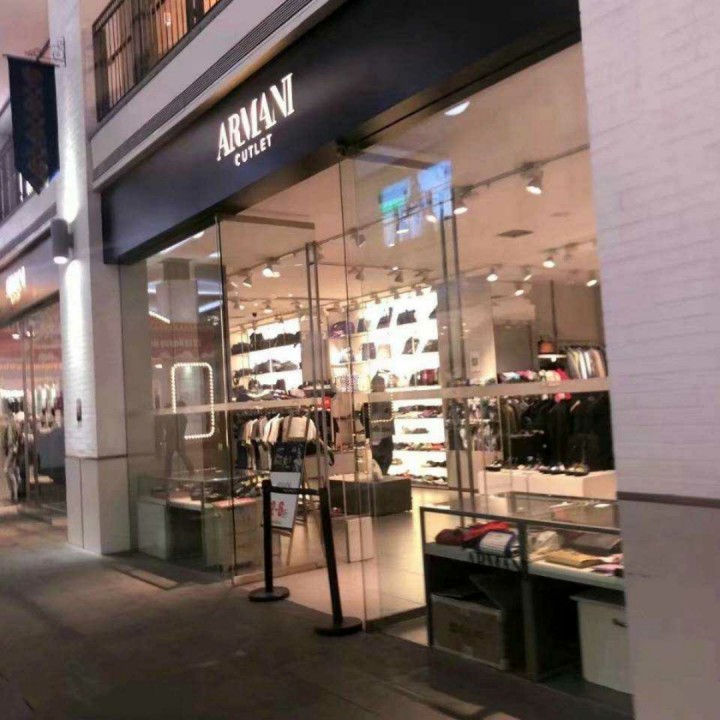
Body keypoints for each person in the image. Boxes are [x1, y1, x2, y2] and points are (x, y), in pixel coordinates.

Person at [162, 401, 195, 477]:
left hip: (172, 440)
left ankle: (167, 474)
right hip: (179, 440)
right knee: (183, 456)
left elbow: (170, 428)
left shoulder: (174, 417)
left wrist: (167, 438)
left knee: (168, 458)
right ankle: (191, 470)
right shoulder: (183, 417)